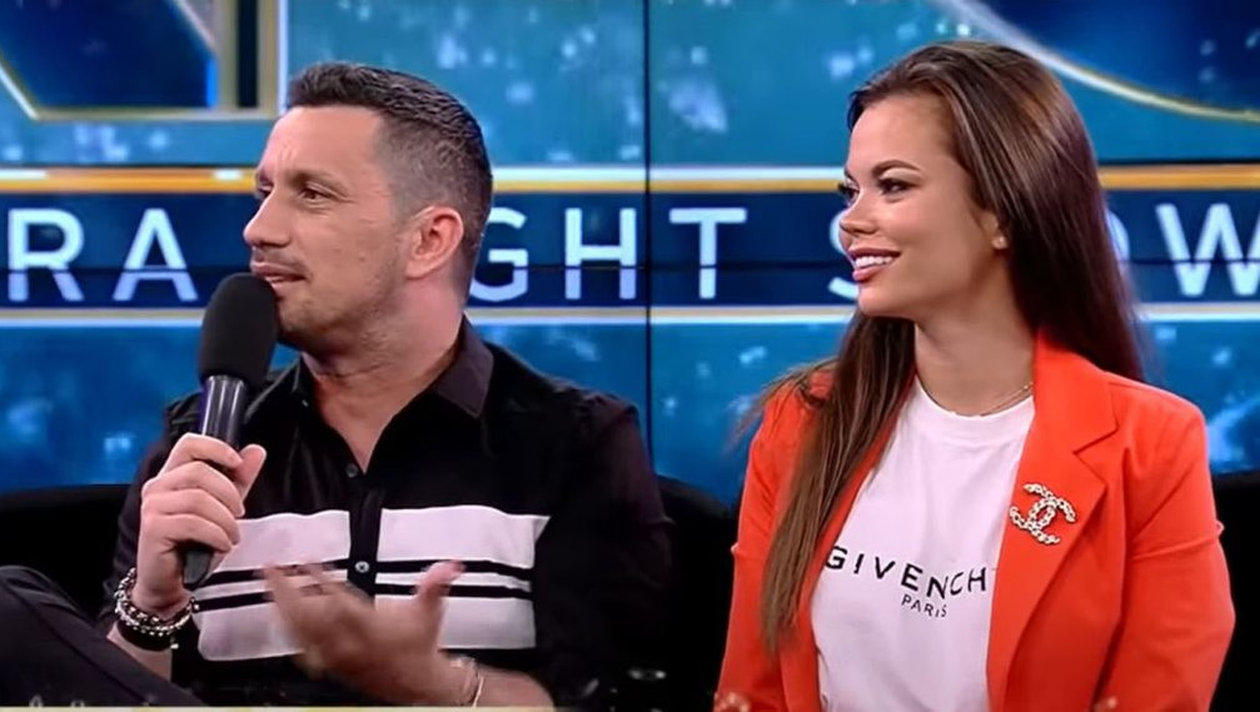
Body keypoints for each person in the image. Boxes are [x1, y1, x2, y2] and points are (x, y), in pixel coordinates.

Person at [0, 61, 670, 708]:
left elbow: (613, 701)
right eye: (265, 193)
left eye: (312, 195)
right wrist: (153, 604)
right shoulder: (196, 443)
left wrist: (436, 686)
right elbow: (108, 697)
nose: (259, 229)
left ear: (429, 240)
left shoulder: (576, 443)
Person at [716, 40, 1234, 712]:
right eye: (852, 190)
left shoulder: (1151, 446)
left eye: (893, 186)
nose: (851, 221)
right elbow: (750, 693)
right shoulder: (803, 422)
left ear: (1002, 214)